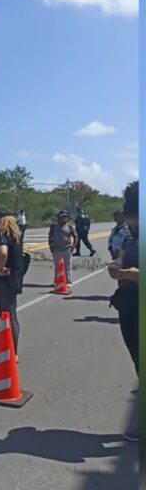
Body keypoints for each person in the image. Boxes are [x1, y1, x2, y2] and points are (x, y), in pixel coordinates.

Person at [106, 180, 138, 441]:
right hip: (129, 305)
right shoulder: (132, 236)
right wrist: (117, 265)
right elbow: (125, 255)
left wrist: (135, 275)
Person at [0, 210, 24, 361]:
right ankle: (11, 349)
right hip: (15, 278)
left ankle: (11, 351)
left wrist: (0, 268)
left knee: (7, 316)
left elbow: (2, 252)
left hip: (5, 280)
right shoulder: (16, 235)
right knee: (12, 314)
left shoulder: (2, 236)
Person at [48, 210, 76, 285]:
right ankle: (56, 281)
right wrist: (51, 247)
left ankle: (68, 282)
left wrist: (73, 246)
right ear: (59, 217)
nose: (64, 218)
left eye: (65, 217)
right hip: (56, 249)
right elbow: (50, 237)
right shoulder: (53, 226)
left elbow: (75, 237)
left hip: (67, 249)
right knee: (57, 267)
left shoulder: (69, 226)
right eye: (62, 217)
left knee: (67, 266)